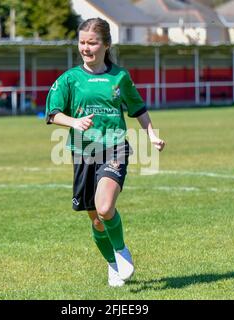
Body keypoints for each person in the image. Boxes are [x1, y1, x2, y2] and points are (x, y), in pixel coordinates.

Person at [45, 18, 165, 287]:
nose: (85, 48)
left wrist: (152, 135)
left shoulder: (119, 76)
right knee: (95, 219)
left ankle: (122, 251)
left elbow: (138, 109)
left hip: (114, 147)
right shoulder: (70, 79)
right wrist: (74, 122)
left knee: (105, 207)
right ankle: (112, 264)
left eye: (92, 42)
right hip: (83, 152)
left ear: (106, 45)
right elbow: (52, 114)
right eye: (82, 42)